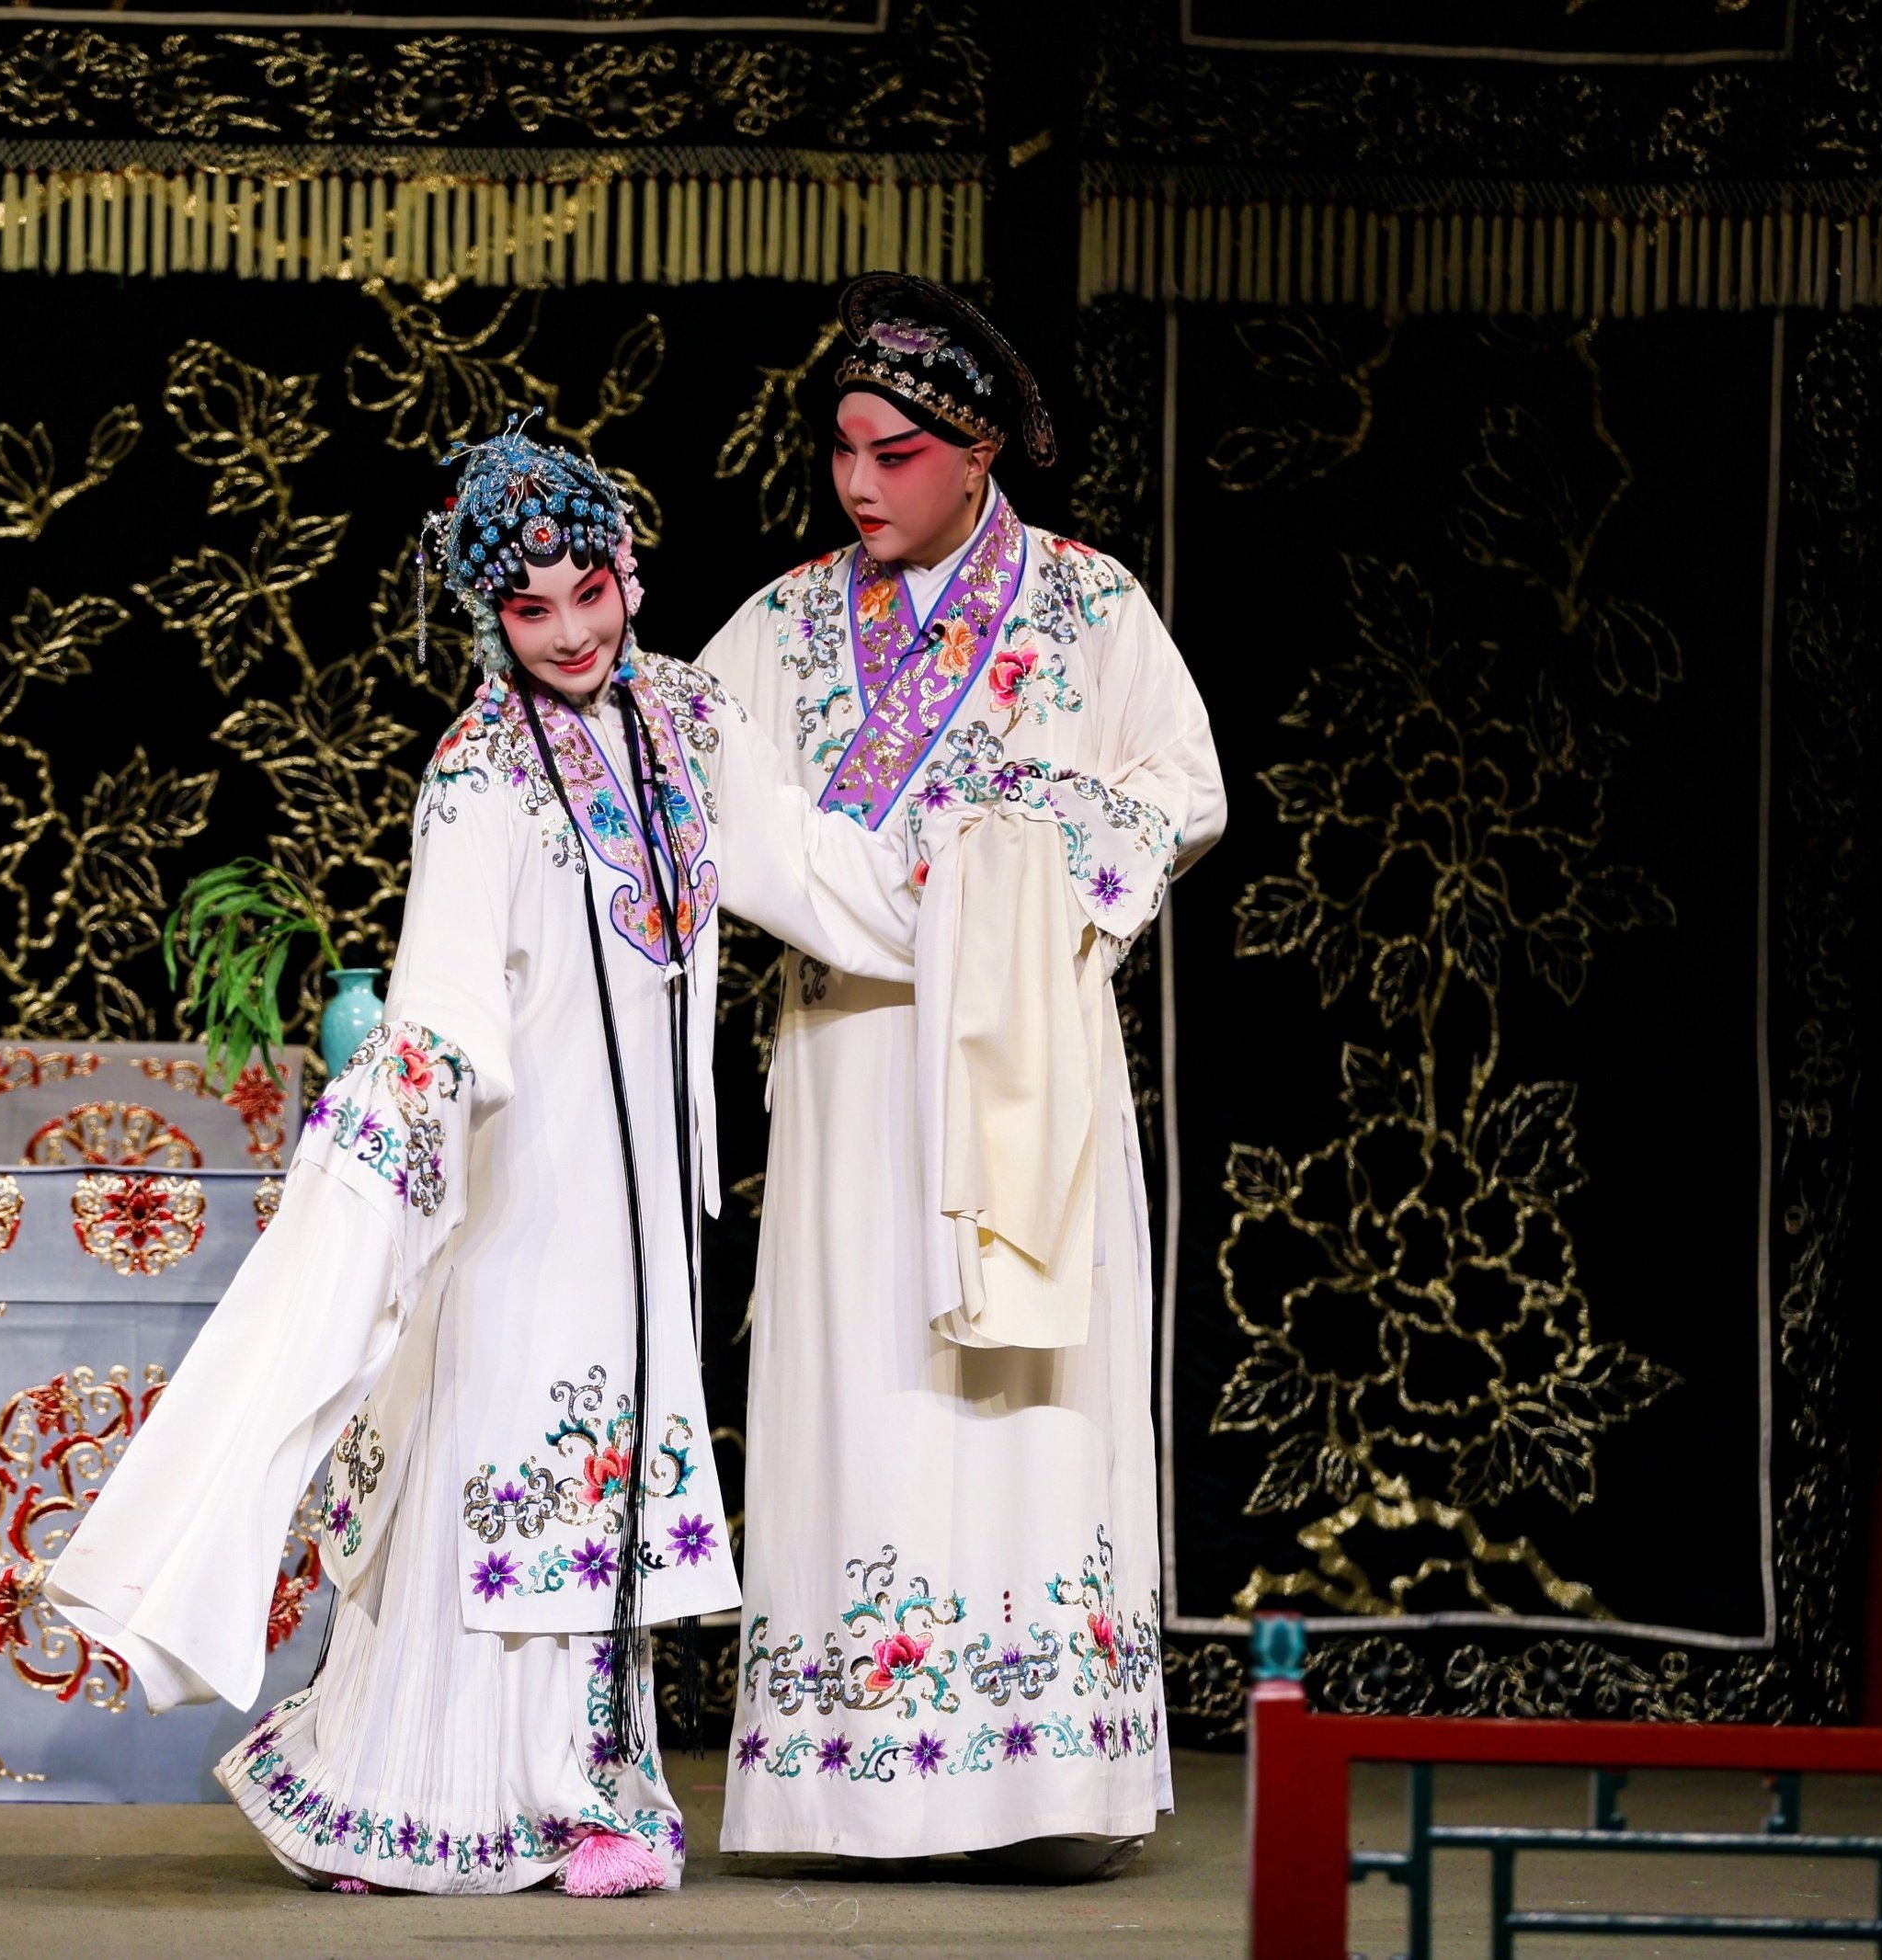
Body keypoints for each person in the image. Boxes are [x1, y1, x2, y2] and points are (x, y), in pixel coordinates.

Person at [46, 419, 921, 1897]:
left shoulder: (693, 722)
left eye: (590, 591)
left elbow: (811, 871)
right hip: (522, 1181)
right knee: (507, 1461)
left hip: (644, 1193)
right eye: (530, 608)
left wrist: (985, 907)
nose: (571, 632)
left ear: (629, 566)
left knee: (607, 1468)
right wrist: (386, 1148)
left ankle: (593, 1791)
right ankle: (415, 1796)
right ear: (487, 616)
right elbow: (446, 1000)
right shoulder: (478, 775)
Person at [697, 273, 1225, 1875]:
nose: (859, 484)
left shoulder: (1089, 607)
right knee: (867, 1393)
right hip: (857, 1062)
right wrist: (908, 892)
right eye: (842, 451)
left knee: (1025, 1406)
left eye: (896, 454)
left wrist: (1009, 871)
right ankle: (865, 1781)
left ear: (980, 449)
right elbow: (705, 797)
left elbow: (1184, 786)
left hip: (1021, 1062)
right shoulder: (785, 626)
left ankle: (1049, 1784)